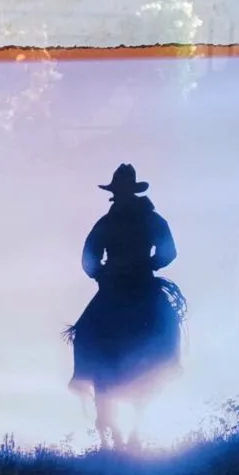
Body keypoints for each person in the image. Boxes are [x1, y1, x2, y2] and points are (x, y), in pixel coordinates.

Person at [67, 164, 185, 448]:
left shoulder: (115, 222)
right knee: (88, 328)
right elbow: (90, 259)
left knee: (87, 328)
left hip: (130, 283)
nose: (120, 196)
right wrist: (107, 273)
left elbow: (89, 258)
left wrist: (110, 272)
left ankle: (90, 374)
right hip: (127, 283)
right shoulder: (132, 221)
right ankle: (166, 362)